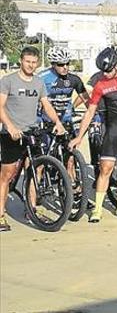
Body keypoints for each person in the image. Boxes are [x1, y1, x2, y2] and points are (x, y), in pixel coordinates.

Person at [69, 47, 117, 222]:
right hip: (113, 129)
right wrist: (79, 136)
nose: (105, 74)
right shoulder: (100, 85)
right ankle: (97, 210)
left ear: (116, 65)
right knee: (105, 169)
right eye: (102, 71)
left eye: (108, 71)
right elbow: (89, 112)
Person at [0, 46, 68, 232]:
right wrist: (10, 127)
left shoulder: (38, 83)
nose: (30, 65)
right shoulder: (8, 81)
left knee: (36, 169)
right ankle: (0, 215)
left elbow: (46, 105)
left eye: (33, 62)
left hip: (32, 132)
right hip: (12, 134)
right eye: (27, 61)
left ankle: (31, 209)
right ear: (21, 61)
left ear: (37, 63)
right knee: (7, 174)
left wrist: (57, 122)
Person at [38, 46, 91, 125]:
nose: (65, 67)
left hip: (66, 122)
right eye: (61, 64)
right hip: (47, 122)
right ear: (53, 64)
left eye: (67, 63)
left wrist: (96, 116)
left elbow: (87, 101)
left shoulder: (74, 79)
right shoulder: (42, 77)